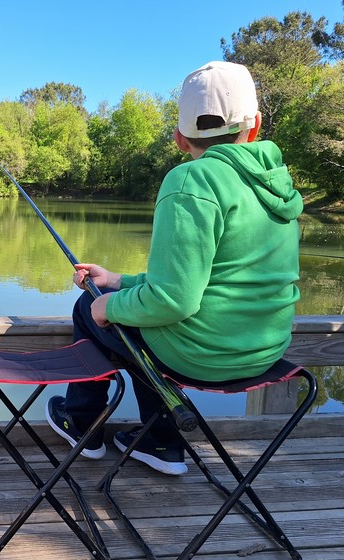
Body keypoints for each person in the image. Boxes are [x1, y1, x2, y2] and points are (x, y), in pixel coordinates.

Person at [46, 61, 303, 476]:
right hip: (266, 353)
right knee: (121, 303)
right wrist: (117, 282)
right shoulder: (279, 186)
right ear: (254, 126)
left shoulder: (191, 181)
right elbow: (206, 280)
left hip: (204, 356)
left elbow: (173, 300)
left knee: (87, 308)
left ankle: (83, 426)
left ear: (180, 139)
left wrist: (105, 306)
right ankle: (158, 441)